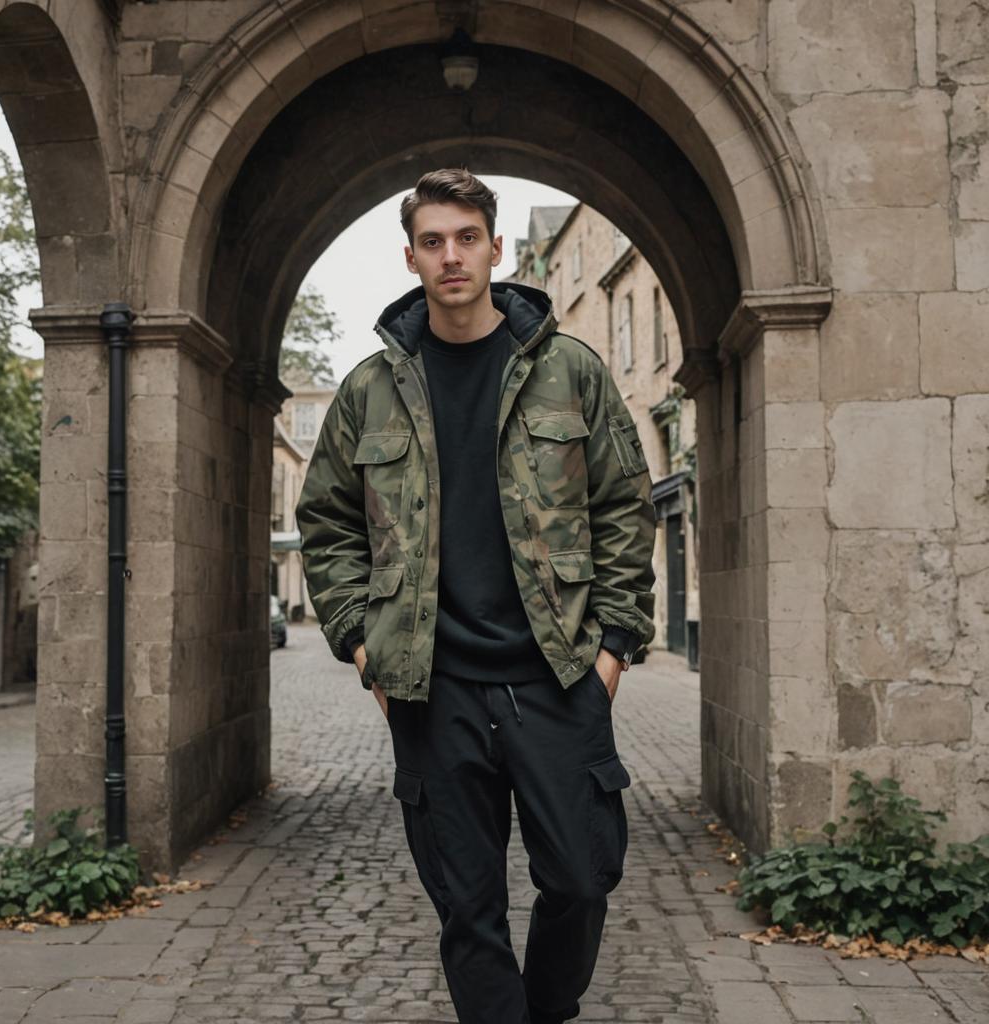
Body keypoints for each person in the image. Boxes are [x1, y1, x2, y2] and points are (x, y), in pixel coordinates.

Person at [296, 167, 656, 1024]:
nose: (451, 256)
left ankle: (546, 1006)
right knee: (467, 906)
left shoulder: (569, 370)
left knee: (580, 874)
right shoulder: (369, 388)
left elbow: (625, 506)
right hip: (432, 682)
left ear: (496, 249)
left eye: (467, 238)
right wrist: (361, 645)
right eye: (433, 241)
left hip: (557, 673)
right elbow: (327, 523)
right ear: (411, 258)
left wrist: (613, 649)